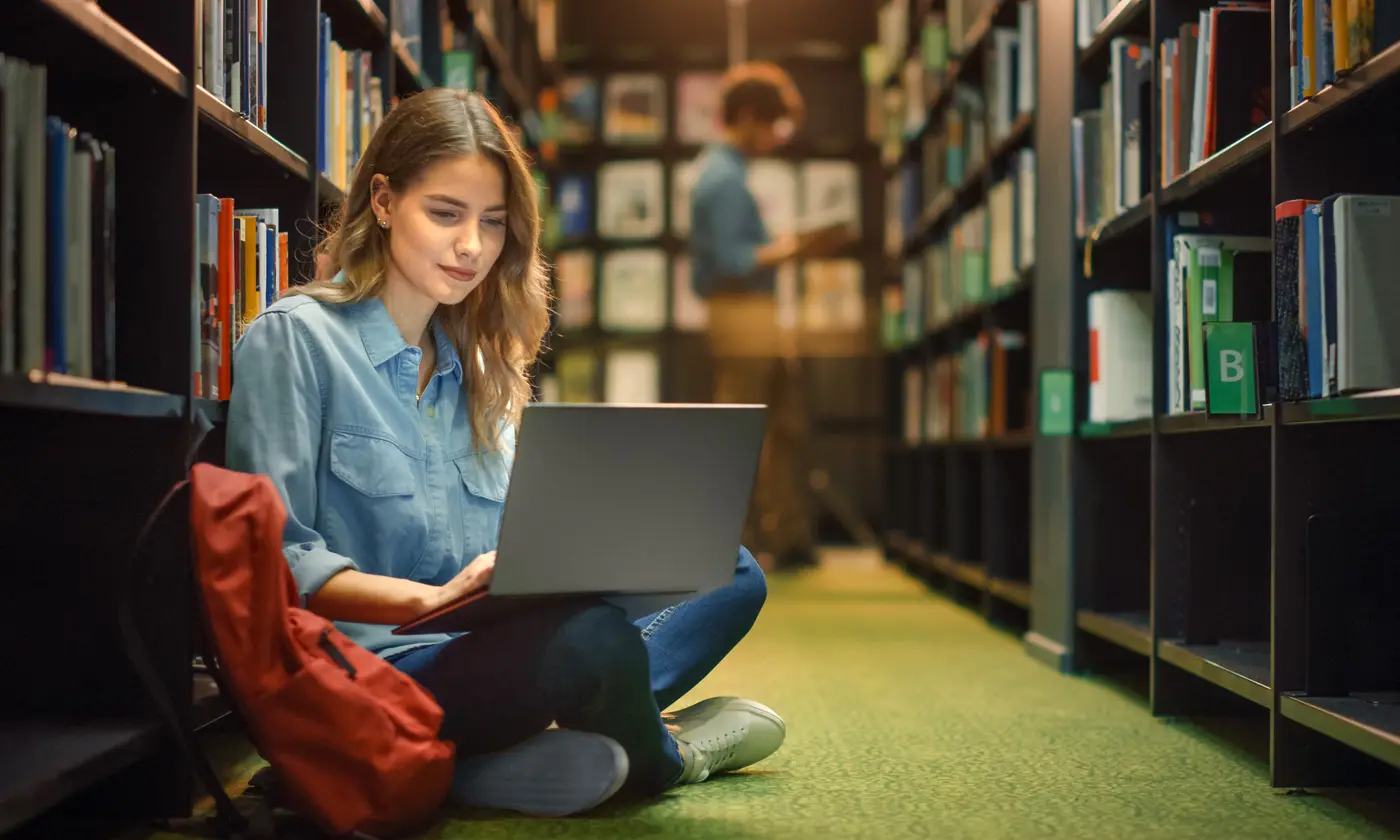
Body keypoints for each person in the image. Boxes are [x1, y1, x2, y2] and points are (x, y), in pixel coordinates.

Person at [225, 88, 784, 819]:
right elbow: (278, 566)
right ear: (385, 201)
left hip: (489, 651)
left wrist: (587, 555)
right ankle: (668, 757)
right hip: (369, 674)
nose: (471, 248)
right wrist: (429, 600)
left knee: (729, 570)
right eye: (446, 214)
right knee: (592, 644)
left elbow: (515, 552)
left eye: (492, 224)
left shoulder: (483, 367)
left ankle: (467, 761)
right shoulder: (294, 338)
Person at [689, 61, 853, 571]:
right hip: (742, 313)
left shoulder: (725, 174)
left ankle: (783, 538)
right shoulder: (722, 180)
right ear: (749, 117)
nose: (779, 136)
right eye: (774, 123)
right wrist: (801, 247)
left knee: (782, 426)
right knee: (746, 431)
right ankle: (728, 545)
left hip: (751, 314)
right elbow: (735, 262)